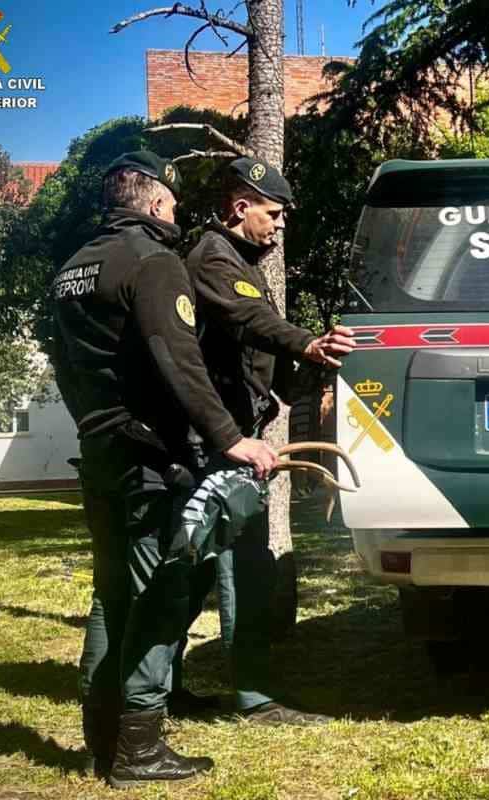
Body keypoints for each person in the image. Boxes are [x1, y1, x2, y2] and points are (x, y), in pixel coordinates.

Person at [49, 151, 279, 787]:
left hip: (99, 454)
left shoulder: (72, 269)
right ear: (153, 202)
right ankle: (139, 749)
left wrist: (96, 427)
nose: (177, 215)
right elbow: (181, 364)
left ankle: (102, 739)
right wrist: (232, 438)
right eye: (173, 204)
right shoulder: (154, 263)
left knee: (112, 595)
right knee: (160, 597)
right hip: (153, 461)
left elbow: (66, 369)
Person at [179, 156, 355, 724]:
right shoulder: (213, 258)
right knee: (238, 565)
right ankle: (252, 698)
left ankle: (159, 687)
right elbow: (254, 321)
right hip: (218, 442)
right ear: (240, 207)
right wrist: (307, 344)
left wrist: (305, 374)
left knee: (197, 568)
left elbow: (258, 349)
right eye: (272, 214)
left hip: (228, 436)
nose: (279, 226)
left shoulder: (240, 262)